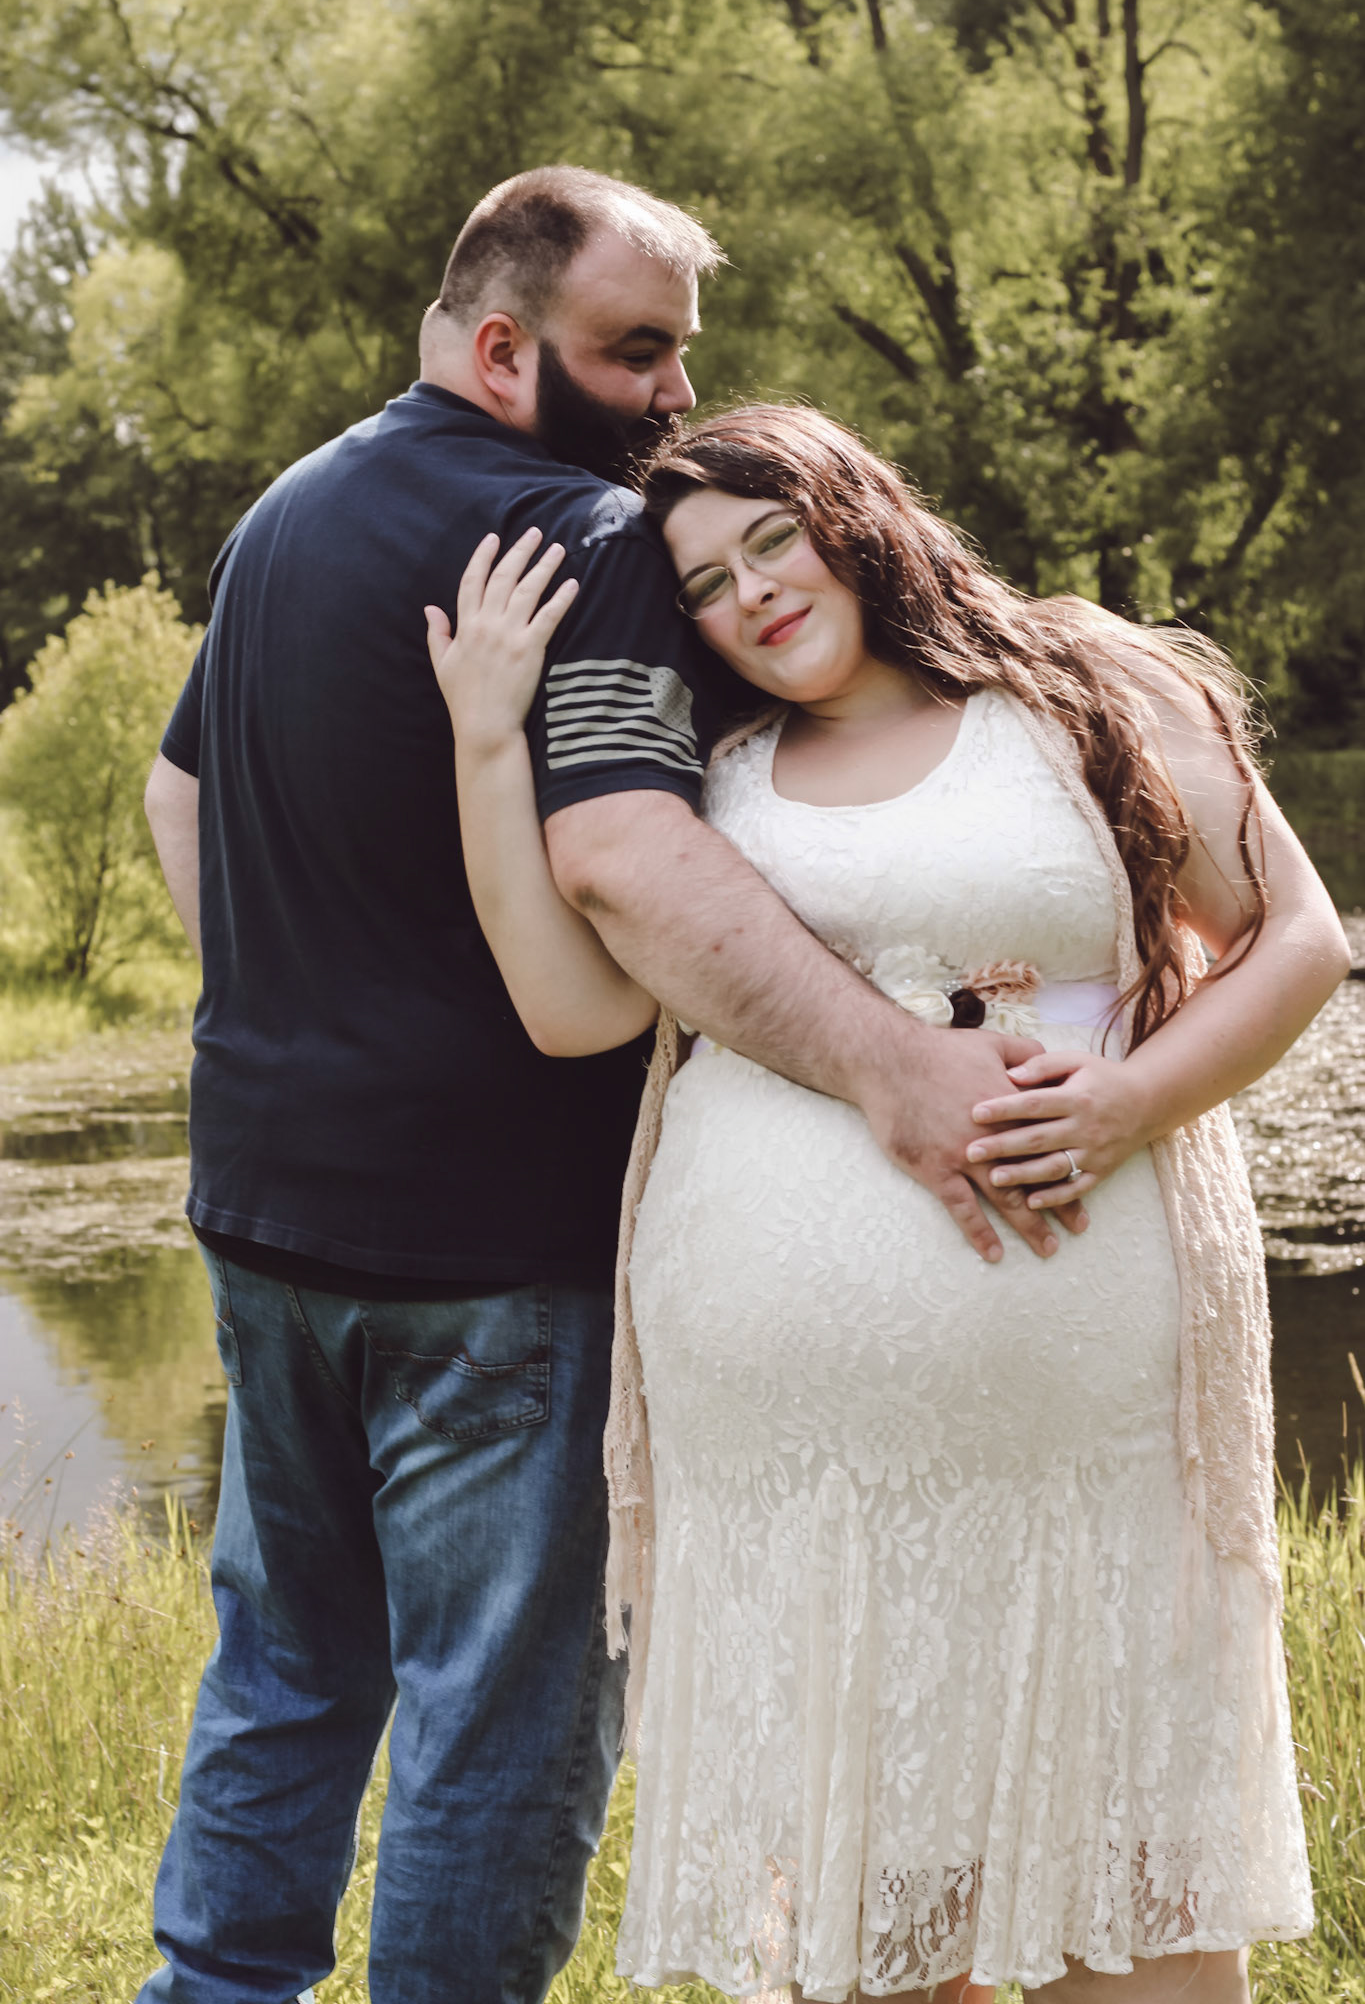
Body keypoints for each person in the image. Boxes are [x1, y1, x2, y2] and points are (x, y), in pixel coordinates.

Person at [140, 171, 1077, 2004]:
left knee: (286, 1667)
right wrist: (897, 1066)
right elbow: (632, 860)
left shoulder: (284, 511)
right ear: (505, 350)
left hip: (264, 1210)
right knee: (499, 1718)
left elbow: (178, 800)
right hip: (495, 1249)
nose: (672, 395)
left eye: (678, 353)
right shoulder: (585, 535)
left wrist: (311, 1006)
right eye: (635, 351)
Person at [428, 403, 1349, 2004]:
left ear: (856, 513)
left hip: (1084, 1431)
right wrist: (489, 742)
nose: (750, 595)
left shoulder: (1082, 684)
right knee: (872, 1928)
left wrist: (1131, 1099)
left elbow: (1296, 939)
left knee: (1137, 1890)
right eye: (704, 584)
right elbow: (570, 1010)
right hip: (797, 1467)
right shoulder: (714, 779)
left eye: (770, 540)